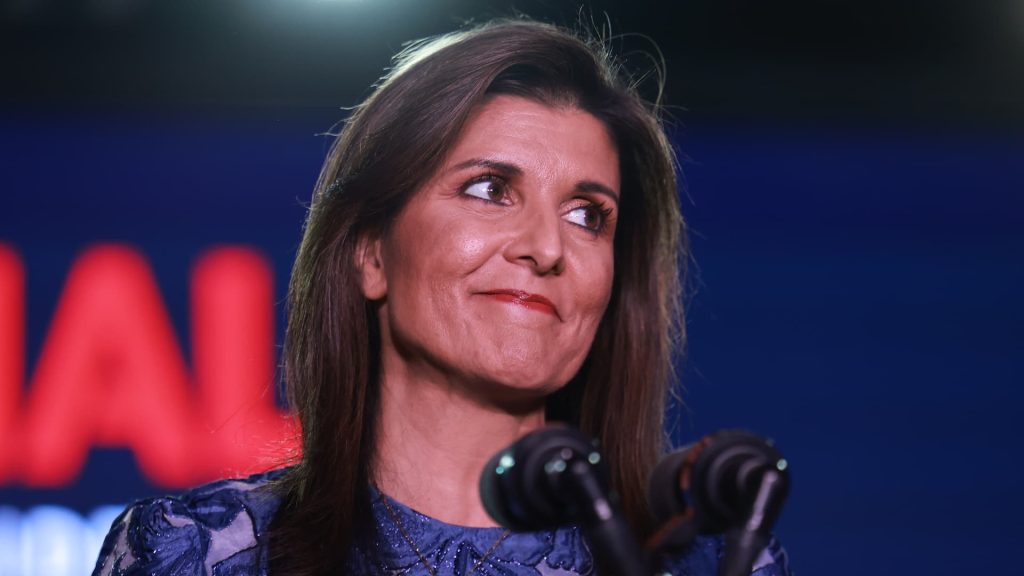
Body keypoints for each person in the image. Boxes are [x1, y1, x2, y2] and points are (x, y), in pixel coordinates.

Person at [92, 19, 789, 576]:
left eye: (587, 215)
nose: (546, 247)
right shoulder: (197, 554)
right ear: (371, 252)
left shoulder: (712, 563)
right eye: (490, 189)